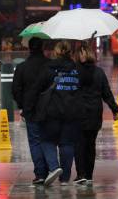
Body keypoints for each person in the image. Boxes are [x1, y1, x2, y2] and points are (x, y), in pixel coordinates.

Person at [30, 40, 82, 186]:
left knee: (47, 140)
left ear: (56, 52)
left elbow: (37, 88)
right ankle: (65, 178)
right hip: (71, 112)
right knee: (67, 144)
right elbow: (81, 89)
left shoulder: (48, 68)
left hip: (51, 112)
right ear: (69, 53)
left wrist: (29, 108)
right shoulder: (76, 69)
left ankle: (54, 167)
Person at [74, 43, 118, 186]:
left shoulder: (74, 71)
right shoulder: (98, 72)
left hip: (78, 113)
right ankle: (88, 175)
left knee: (79, 144)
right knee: (90, 144)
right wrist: (115, 109)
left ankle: (81, 174)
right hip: (94, 112)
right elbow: (106, 93)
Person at [12, 37, 49, 185]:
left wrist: (23, 105)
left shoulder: (22, 67)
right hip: (49, 109)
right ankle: (52, 168)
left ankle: (40, 173)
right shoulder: (50, 65)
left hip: (31, 109)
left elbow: (15, 89)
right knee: (48, 140)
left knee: (34, 141)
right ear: (42, 47)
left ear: (29, 48)